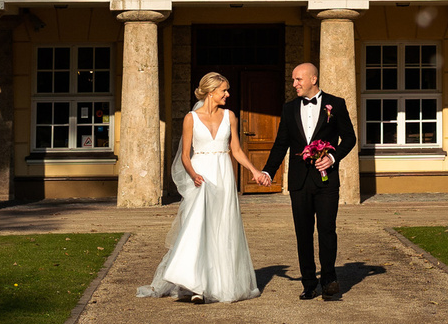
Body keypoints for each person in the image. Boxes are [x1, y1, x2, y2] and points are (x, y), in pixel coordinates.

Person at [136, 71, 269, 303]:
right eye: (224, 90)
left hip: (224, 174)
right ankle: (195, 285)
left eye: (227, 90)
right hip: (201, 174)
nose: (227, 94)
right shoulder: (191, 118)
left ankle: (220, 283)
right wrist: (193, 174)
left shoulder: (230, 116)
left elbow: (236, 150)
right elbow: (185, 155)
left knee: (223, 226)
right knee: (198, 227)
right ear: (210, 92)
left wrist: (254, 171)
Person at [262, 60, 357, 300]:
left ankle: (329, 280)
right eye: (293, 80)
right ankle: (308, 283)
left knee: (327, 230)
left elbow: (349, 138)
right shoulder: (289, 108)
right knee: (302, 233)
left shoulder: (336, 104)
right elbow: (281, 143)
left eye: (298, 79)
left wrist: (333, 157)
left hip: (326, 182)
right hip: (299, 182)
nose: (294, 84)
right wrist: (268, 172)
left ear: (313, 79)